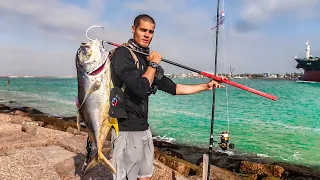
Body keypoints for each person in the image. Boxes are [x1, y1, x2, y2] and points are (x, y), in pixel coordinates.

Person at [110, 14, 224, 180]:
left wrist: (205, 86)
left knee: (145, 176)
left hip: (144, 129)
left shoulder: (145, 59)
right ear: (133, 29)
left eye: (151, 31)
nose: (147, 35)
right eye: (143, 30)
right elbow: (140, 88)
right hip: (126, 129)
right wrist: (154, 63)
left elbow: (174, 88)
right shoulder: (123, 54)